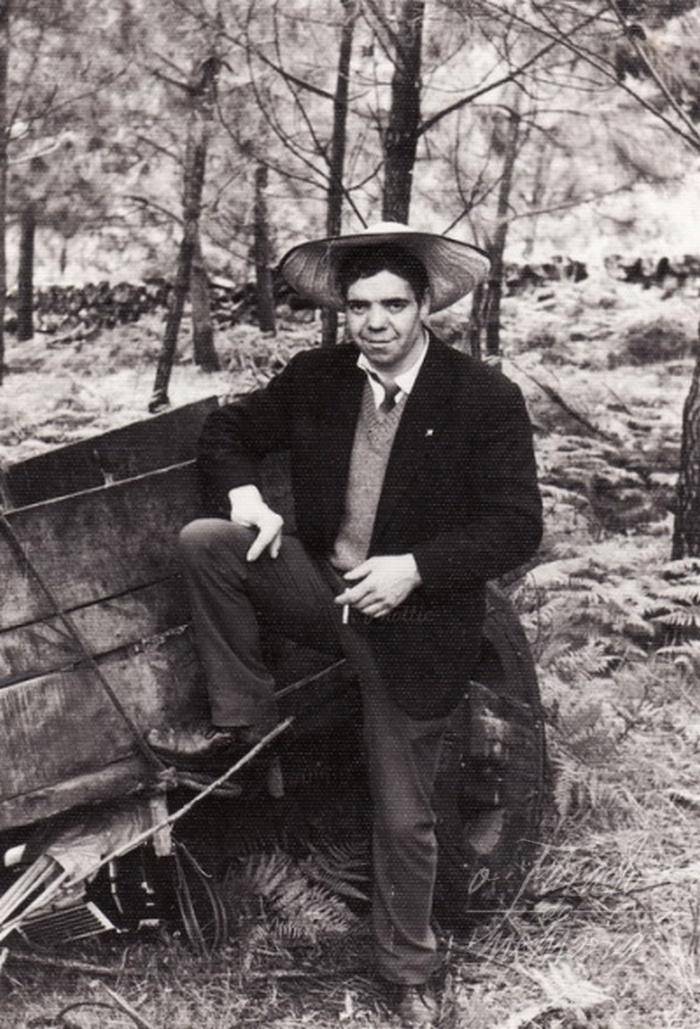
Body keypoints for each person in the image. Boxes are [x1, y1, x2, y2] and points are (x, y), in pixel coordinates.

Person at [148, 221, 542, 1028]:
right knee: (209, 543)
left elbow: (516, 525)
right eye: (359, 306)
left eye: (393, 304)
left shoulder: (482, 397)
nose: (375, 322)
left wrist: (415, 568)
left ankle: (409, 970)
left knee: (403, 814)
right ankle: (244, 725)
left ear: (425, 306)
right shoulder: (319, 377)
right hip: (324, 590)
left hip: (416, 624)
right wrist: (248, 498)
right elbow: (229, 430)